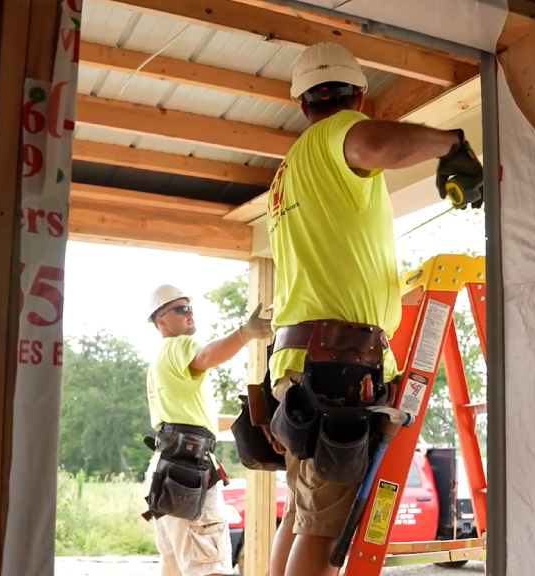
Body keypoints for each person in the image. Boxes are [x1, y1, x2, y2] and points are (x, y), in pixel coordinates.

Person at [265, 42, 484, 576]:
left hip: (299, 364)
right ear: (358, 97)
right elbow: (373, 142)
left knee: (300, 517)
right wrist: (450, 143)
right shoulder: (334, 135)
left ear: (300, 103)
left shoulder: (289, 170)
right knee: (321, 527)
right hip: (334, 367)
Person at [143, 284, 273, 576]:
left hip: (167, 469)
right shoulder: (179, 346)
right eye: (181, 309)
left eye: (190, 307)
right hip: (188, 469)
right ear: (160, 319)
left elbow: (194, 419)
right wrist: (245, 333)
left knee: (176, 566)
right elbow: (205, 357)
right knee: (209, 565)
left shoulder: (160, 362)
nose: (189, 313)